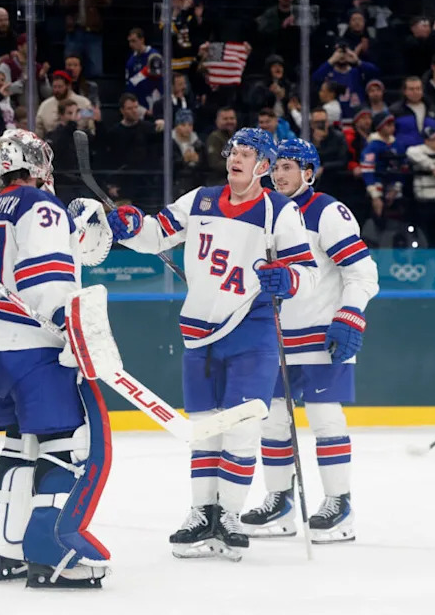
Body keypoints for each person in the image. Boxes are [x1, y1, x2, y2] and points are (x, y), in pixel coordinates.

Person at [106, 127, 316, 561]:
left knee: (240, 426)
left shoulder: (280, 212)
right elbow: (154, 235)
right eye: (233, 151)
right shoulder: (199, 199)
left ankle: (231, 516)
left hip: (251, 329)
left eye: (247, 153)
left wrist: (288, 279)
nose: (236, 158)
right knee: (202, 429)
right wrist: (130, 226)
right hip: (198, 331)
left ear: (263, 166)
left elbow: (307, 271)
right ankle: (202, 511)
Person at [0, 129, 110, 587]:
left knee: (18, 443)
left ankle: (4, 546)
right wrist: (69, 321)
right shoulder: (40, 206)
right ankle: (52, 553)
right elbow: (44, 278)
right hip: (32, 347)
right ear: (35, 163)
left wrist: (77, 228)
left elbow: (48, 255)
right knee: (64, 445)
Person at [240, 139, 379, 544]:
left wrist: (350, 316)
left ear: (309, 173)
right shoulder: (262, 210)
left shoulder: (327, 211)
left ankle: (340, 504)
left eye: (288, 167)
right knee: (273, 421)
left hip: (320, 335)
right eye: (276, 167)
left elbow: (362, 273)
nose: (279, 174)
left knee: (324, 417)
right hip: (273, 337)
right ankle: (279, 502)